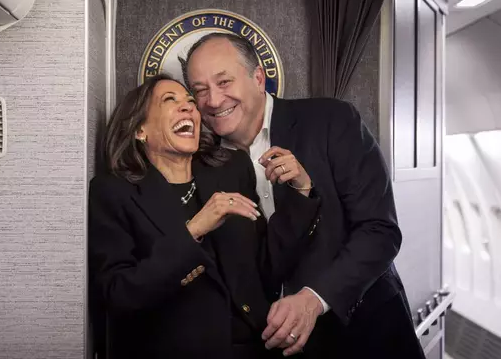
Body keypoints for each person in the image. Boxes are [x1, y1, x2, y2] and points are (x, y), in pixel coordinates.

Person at [183, 33, 426, 359]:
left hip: (367, 331)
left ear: (258, 77)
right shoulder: (203, 167)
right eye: (200, 90)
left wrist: (314, 299)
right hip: (277, 345)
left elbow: (380, 231)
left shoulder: (332, 120)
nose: (213, 100)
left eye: (224, 82)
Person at [88, 74, 321, 359]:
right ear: (140, 130)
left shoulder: (232, 170)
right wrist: (194, 230)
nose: (188, 108)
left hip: (255, 347)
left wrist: (302, 192)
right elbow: (118, 294)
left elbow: (267, 268)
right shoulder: (113, 192)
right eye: (169, 101)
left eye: (189, 101)